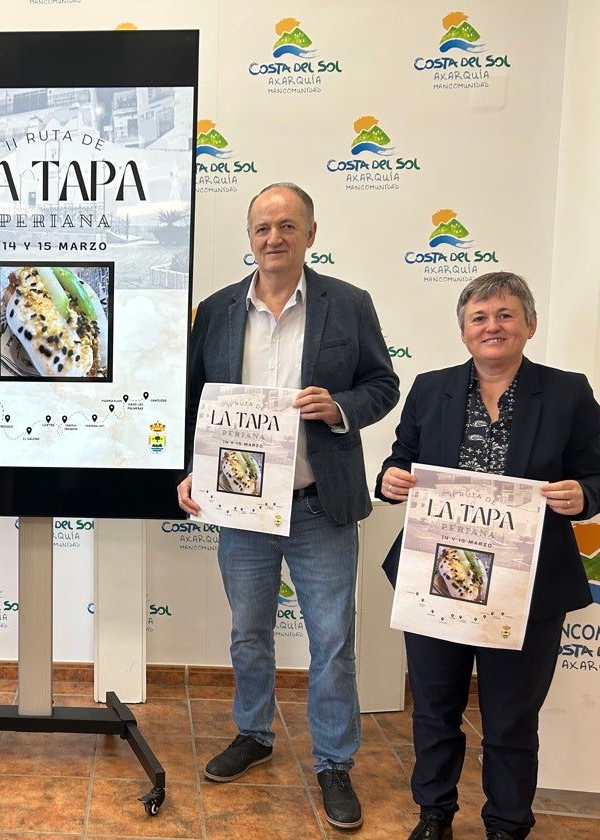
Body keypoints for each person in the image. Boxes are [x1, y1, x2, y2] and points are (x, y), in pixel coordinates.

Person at [178, 182, 399, 830]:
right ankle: (253, 733)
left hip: (317, 505)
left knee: (331, 642)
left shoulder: (348, 305)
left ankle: (334, 763)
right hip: (240, 506)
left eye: (286, 226)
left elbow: (383, 384)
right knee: (248, 631)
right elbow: (189, 401)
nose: (273, 237)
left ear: (310, 233)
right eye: (262, 228)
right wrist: (187, 471)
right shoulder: (216, 311)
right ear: (250, 239)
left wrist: (340, 408)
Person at [376, 272, 600, 840]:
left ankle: (507, 825)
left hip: (527, 585)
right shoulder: (430, 388)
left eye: (506, 315)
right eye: (479, 318)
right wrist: (389, 480)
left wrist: (583, 496)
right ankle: (434, 814)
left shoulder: (567, 392)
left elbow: (596, 477)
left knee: (510, 718)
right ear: (463, 332)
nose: (493, 327)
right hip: (439, 574)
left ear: (530, 325)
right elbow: (399, 459)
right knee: (434, 708)